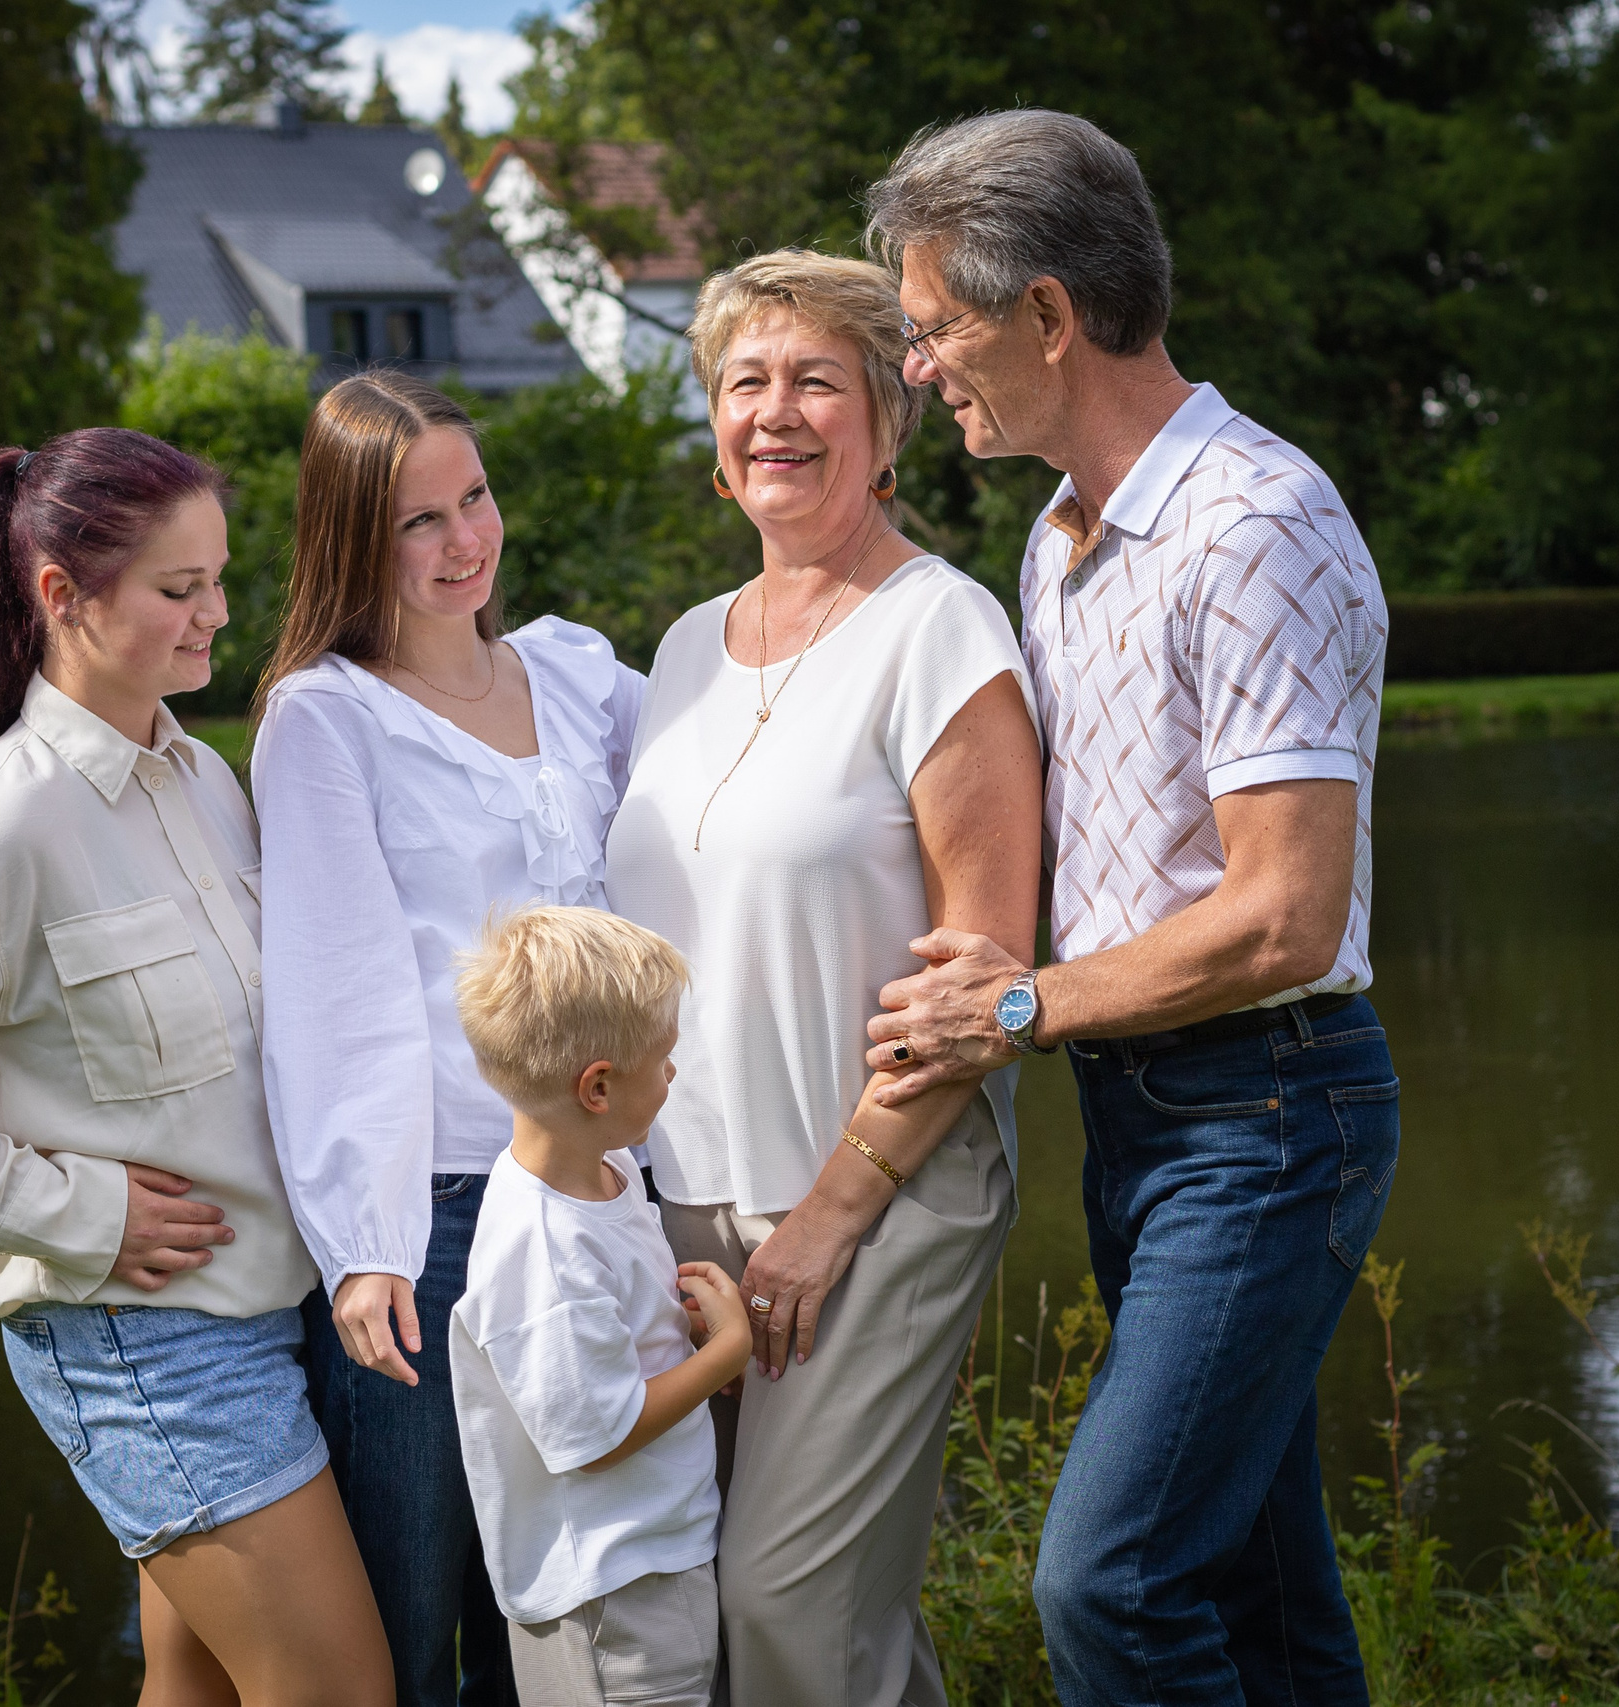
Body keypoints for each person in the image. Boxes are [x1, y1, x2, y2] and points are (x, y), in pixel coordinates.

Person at [858, 111, 1401, 1707]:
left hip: (1271, 1108)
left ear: (1047, 315)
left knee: (1108, 1579)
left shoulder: (1252, 522)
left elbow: (1284, 916)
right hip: (1148, 1111)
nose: (919, 369)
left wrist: (1015, 1004)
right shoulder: (1060, 535)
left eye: (935, 328)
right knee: (1258, 1589)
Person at [0, 428, 392, 1707]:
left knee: (200, 1693)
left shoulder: (203, 778)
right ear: (61, 594)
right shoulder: (1, 822)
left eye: (218, 579)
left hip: (268, 1307)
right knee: (342, 1691)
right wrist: (78, 1213)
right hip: (140, 1340)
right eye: (178, 590)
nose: (216, 616)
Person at [601, 250, 1045, 1706]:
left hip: (877, 1190)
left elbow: (989, 972)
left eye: (814, 381)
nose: (774, 412)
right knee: (759, 1623)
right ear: (713, 436)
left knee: (788, 1603)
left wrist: (831, 1213)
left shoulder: (941, 631)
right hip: (686, 1209)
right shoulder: (680, 651)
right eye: (744, 382)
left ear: (885, 419)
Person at [253, 372, 646, 1707]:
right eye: (419, 521)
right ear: (353, 542)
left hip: (586, 1196)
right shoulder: (327, 717)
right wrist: (364, 1244)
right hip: (427, 1219)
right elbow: (334, 985)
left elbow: (733, 796)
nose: (463, 540)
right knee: (410, 1624)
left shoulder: (582, 672)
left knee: (549, 1610)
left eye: (473, 495)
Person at [448, 906, 748, 1707]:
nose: (674, 1074)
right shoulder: (543, 1246)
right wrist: (725, 1352)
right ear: (599, 1086)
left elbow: (597, 1354)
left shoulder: (604, 1167)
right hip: (611, 1594)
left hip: (650, 1554)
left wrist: (672, 1325)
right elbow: (597, 1435)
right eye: (663, 1059)